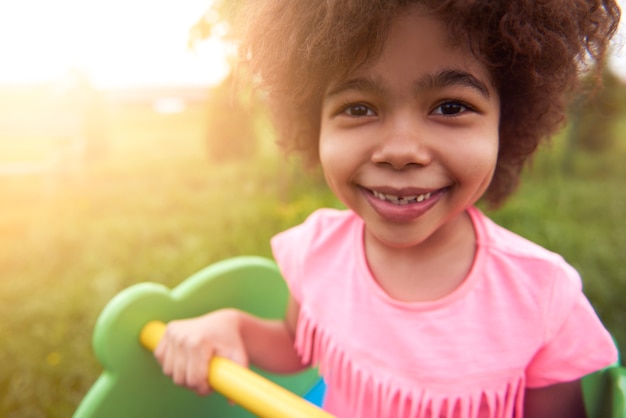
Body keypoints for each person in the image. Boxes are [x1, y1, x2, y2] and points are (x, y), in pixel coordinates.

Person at [154, 1, 622, 417]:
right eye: (359, 109)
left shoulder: (541, 296)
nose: (400, 151)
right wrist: (230, 326)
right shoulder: (319, 250)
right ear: (312, 121)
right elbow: (298, 347)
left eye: (450, 107)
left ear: (509, 120)